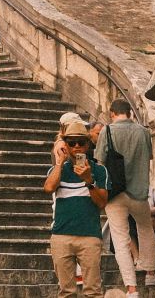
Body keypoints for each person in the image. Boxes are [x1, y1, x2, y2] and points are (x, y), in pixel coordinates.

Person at [95, 98, 155, 294]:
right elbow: (148, 157)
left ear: (112, 113)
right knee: (145, 229)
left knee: (121, 239)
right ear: (130, 113)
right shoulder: (144, 132)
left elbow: (99, 162)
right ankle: (150, 274)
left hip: (115, 193)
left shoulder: (107, 131)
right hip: (139, 192)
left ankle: (132, 288)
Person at [43, 121, 109, 298]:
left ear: (88, 144)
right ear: (66, 145)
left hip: (89, 236)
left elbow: (102, 203)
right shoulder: (58, 169)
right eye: (72, 142)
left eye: (81, 142)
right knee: (66, 292)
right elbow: (48, 188)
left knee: (93, 291)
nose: (77, 146)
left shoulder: (99, 170)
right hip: (62, 236)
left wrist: (89, 181)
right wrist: (59, 163)